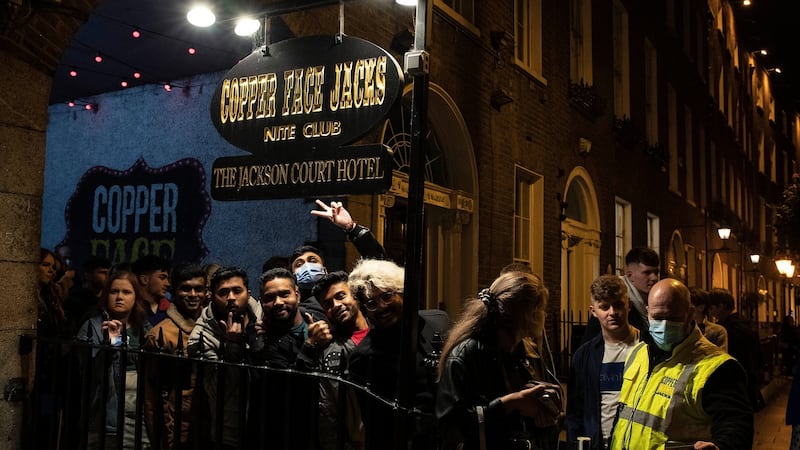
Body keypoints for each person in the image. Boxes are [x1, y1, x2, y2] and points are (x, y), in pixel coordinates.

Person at [610, 278, 753, 450]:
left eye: (672, 318)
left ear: (690, 313)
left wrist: (721, 446)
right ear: (647, 312)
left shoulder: (717, 367)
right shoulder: (637, 353)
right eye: (657, 317)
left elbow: (736, 426)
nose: (664, 325)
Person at [436, 271, 562, 450]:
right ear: (526, 313)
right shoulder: (466, 354)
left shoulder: (528, 353)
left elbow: (533, 424)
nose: (544, 316)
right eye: (541, 309)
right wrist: (509, 403)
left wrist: (544, 415)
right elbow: (451, 427)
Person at [346, 258, 449, 450]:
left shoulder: (438, 321)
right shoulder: (363, 357)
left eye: (386, 296)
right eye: (372, 303)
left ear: (401, 292)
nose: (382, 307)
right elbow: (377, 428)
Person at [248, 267, 332, 449]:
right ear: (261, 302)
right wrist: (310, 345)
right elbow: (291, 387)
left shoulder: (322, 316)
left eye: (284, 294)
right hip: (295, 431)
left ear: (297, 294)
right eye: (270, 298)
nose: (278, 302)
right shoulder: (265, 344)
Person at [187, 266, 261, 450]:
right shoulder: (201, 335)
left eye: (237, 291)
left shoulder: (263, 318)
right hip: (229, 430)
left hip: (264, 425)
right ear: (211, 296)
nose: (231, 298)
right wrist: (233, 347)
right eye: (223, 292)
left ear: (248, 293)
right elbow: (215, 390)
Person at [77, 268, 152, 449]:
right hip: (107, 415)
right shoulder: (92, 327)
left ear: (136, 297)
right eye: (114, 291)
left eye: (126, 292)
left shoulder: (145, 328)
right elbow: (89, 372)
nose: (119, 297)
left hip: (141, 416)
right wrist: (111, 345)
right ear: (106, 295)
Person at [567, 274, 640, 450]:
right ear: (593, 311)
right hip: (599, 444)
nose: (612, 312)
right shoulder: (584, 356)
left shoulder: (646, 347)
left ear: (628, 304)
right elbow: (575, 411)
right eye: (605, 307)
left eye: (618, 305)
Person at [142, 263, 206, 449]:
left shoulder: (212, 328)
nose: (193, 295)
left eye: (198, 289)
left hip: (207, 426)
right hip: (178, 429)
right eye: (186, 289)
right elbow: (152, 398)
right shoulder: (160, 335)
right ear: (174, 291)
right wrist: (164, 438)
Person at [312, 271, 371, 450]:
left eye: (340, 296)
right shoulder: (332, 350)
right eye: (328, 304)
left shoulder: (384, 331)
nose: (336, 305)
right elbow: (328, 408)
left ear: (354, 295)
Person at [581, 248, 659, 344]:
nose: (654, 278)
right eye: (647, 273)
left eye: (656, 272)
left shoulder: (651, 299)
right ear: (630, 275)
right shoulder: (612, 299)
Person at [707, 288, 763, 410]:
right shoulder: (745, 323)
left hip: (735, 384)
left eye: (712, 308)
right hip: (749, 381)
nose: (710, 312)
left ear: (721, 306)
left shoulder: (726, 329)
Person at [64, 256, 111, 335]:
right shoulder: (75, 299)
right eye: (102, 272)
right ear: (88, 275)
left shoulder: (109, 299)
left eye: (108, 273)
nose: (107, 276)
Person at [132, 254, 172, 327]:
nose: (168, 284)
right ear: (144, 280)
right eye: (162, 278)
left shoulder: (171, 308)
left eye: (167, 279)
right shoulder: (130, 309)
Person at [689, 287, 728, 351]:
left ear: (701, 307)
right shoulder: (681, 329)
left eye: (689, 306)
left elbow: (721, 357)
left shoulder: (717, 331)